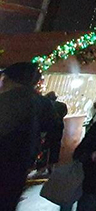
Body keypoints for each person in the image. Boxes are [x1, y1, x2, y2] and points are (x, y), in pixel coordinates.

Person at [0, 62, 56, 211]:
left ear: (8, 80)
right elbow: (53, 128)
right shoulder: (41, 103)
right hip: (20, 164)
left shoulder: (8, 101)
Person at [44, 91, 68, 173]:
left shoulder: (46, 105)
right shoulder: (62, 105)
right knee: (55, 146)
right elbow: (65, 113)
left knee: (45, 147)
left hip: (48, 129)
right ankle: (52, 165)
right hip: (58, 128)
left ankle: (42, 166)